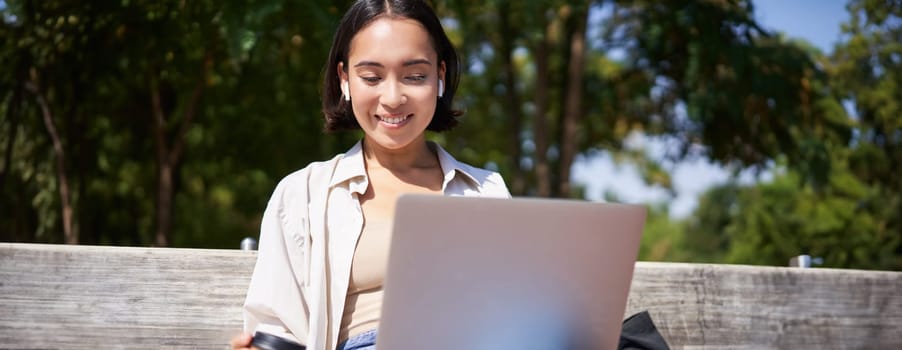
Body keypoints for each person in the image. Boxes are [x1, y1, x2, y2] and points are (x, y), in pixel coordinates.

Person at [230, 1, 510, 349]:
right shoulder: (302, 194)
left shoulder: (488, 192)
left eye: (415, 76)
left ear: (439, 77)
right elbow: (278, 330)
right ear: (344, 79)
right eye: (372, 77)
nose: (392, 97)